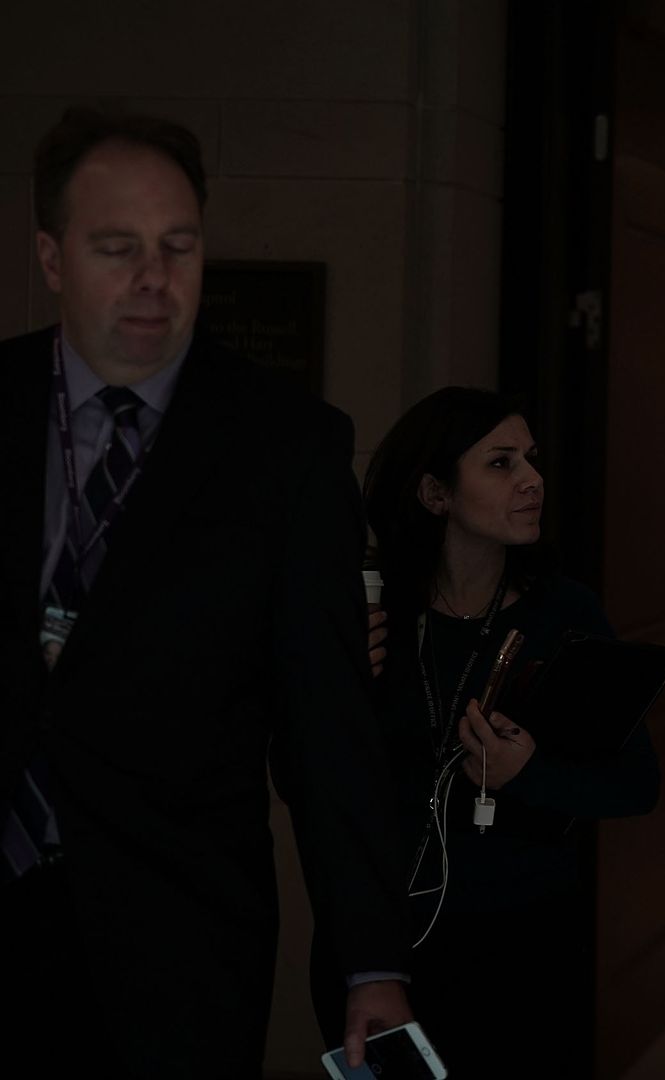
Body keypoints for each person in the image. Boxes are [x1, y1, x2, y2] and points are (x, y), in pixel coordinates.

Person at [0, 107, 412, 1075]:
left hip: (176, 936)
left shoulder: (286, 447)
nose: (153, 278)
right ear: (52, 258)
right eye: (117, 248)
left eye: (177, 246)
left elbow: (326, 729)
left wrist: (370, 964)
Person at [313, 386, 661, 1079]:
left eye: (530, 459)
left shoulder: (564, 613)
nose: (532, 479)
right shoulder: (370, 610)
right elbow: (313, 779)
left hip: (522, 941)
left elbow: (636, 784)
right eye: (500, 464)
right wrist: (342, 675)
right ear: (436, 494)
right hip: (383, 940)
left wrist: (528, 773)